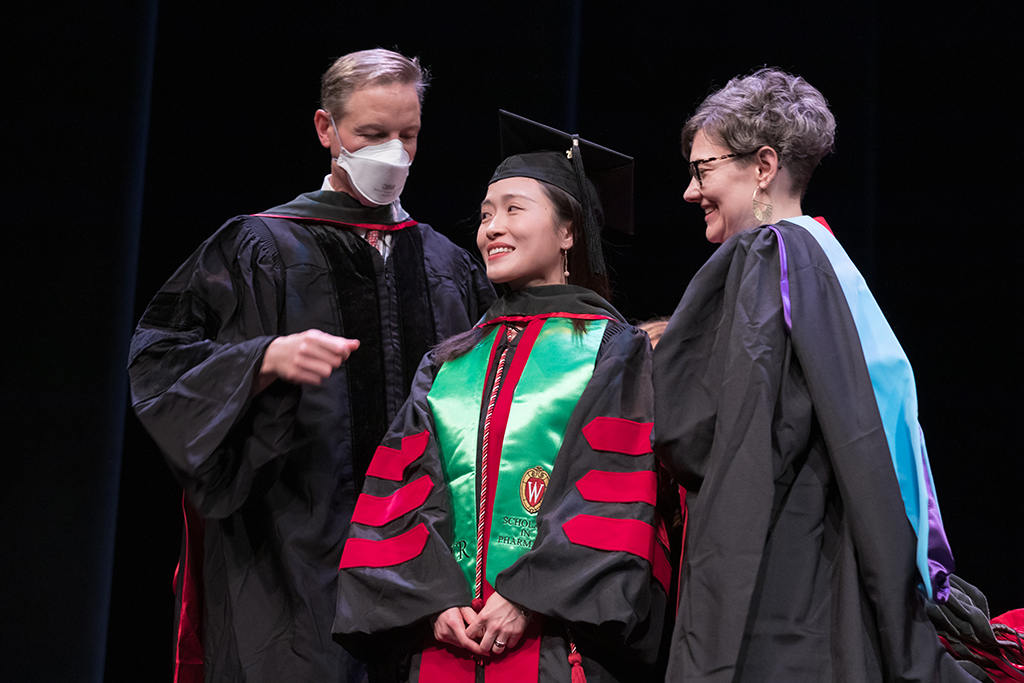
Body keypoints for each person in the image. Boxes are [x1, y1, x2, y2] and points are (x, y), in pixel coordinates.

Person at [127, 48, 495, 683]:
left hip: (426, 556)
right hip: (290, 547)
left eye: (408, 135)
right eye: (373, 135)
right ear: (327, 129)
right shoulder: (261, 243)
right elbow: (158, 358)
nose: (395, 154)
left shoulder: (446, 261)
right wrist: (261, 358)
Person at [652, 68, 980, 682]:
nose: (690, 192)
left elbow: (702, 434)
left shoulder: (766, 254)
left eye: (703, 170)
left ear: (763, 166)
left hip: (779, 575)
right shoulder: (829, 259)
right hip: (836, 565)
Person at [332, 111, 669, 682]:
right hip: (444, 641)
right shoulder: (448, 360)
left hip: (558, 642)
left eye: (514, 209)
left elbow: (614, 486)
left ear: (569, 232)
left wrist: (529, 595)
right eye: (487, 214)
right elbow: (404, 487)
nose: (491, 227)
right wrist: (435, 600)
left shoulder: (613, 347)